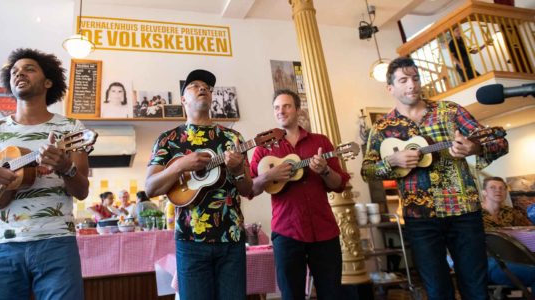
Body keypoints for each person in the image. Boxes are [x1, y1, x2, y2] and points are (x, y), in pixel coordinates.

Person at [361, 57, 508, 300]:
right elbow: (367, 171)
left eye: (416, 78)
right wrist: (392, 162)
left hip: (464, 212)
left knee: (476, 288)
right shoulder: (382, 128)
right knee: (437, 290)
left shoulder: (450, 111)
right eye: (404, 80)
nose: (412, 85)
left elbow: (499, 141)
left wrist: (474, 148)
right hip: (420, 218)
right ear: (391, 89)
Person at [0, 48, 90, 299]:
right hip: (0, 247)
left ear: (48, 82)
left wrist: (64, 167)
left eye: (29, 68)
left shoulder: (70, 128)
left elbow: (82, 191)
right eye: (14, 71)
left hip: (56, 242)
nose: (19, 73)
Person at [145, 69, 253, 300]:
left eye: (207, 86)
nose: (203, 88)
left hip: (231, 238)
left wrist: (237, 171)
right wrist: (179, 166)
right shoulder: (168, 140)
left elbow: (248, 189)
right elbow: (151, 188)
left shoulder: (233, 139)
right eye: (195, 85)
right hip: (190, 241)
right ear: (183, 99)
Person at [249, 89, 350, 300]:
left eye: (286, 106)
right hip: (287, 232)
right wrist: (269, 176)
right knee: (291, 295)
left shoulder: (320, 142)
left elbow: (339, 184)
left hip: (324, 230)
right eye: (277, 107)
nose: (281, 111)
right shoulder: (264, 148)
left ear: (297, 110)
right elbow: (250, 189)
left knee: (332, 294)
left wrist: (325, 170)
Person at [480, 177, 535, 291]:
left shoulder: (511, 212)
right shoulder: (473, 215)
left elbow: (530, 231)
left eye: (502, 188)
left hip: (515, 259)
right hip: (487, 261)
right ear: (484, 192)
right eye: (492, 187)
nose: (498, 190)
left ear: (506, 192)